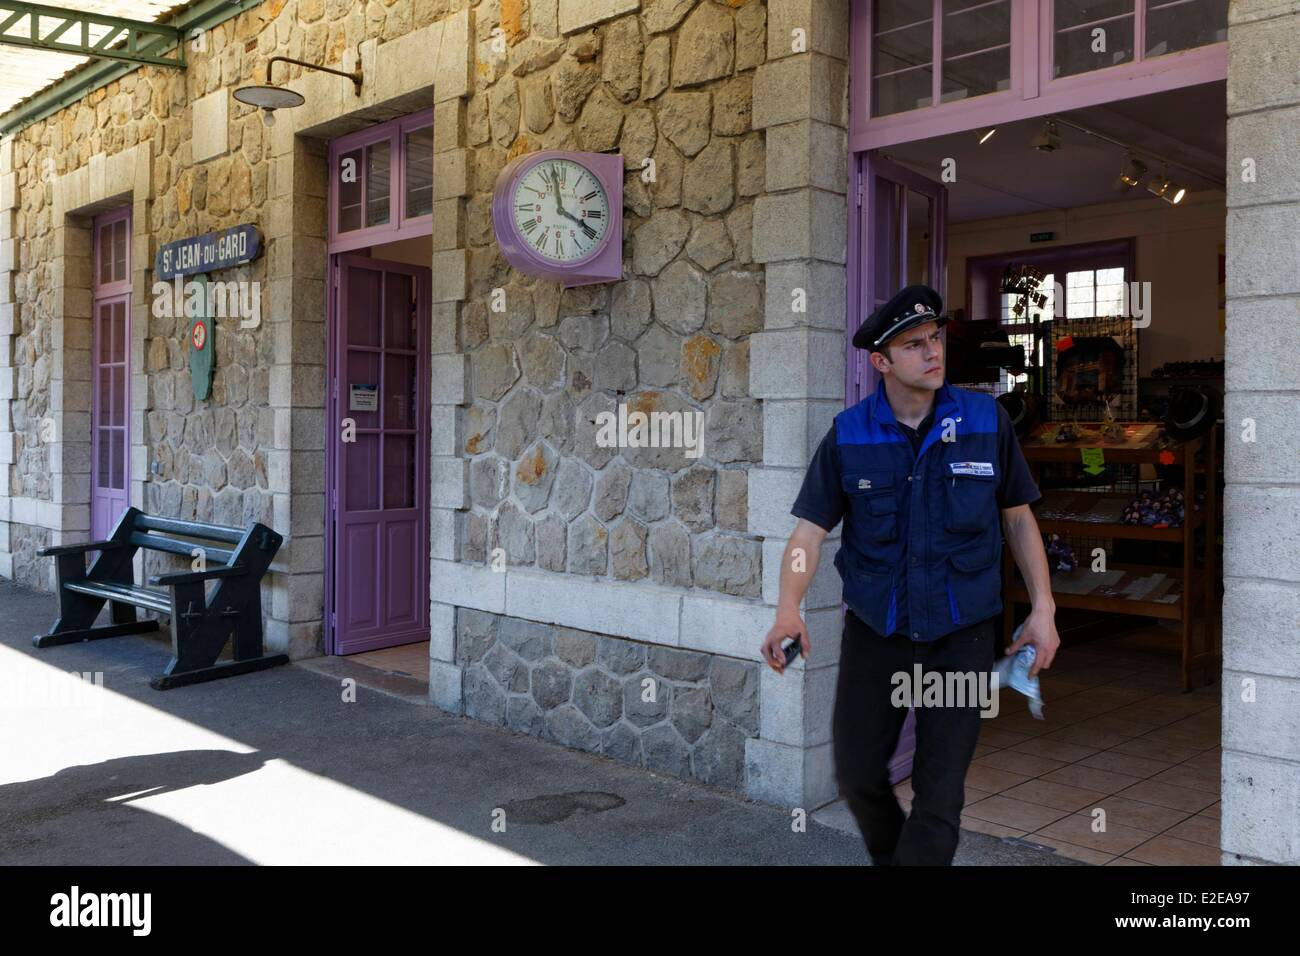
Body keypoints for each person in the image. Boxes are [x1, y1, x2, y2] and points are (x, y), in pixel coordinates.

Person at [759, 284, 1060, 866]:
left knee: (939, 794)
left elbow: (1018, 519)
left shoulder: (984, 420)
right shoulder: (849, 434)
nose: (933, 352)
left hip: (962, 635)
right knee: (857, 774)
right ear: (881, 361)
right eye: (914, 344)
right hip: (879, 633)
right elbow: (807, 535)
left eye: (935, 338)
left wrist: (1043, 608)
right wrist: (788, 608)